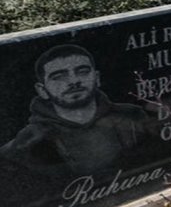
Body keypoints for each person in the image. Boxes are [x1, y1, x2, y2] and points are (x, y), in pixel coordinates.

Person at [0, 45, 157, 174]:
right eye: (58, 76)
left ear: (97, 78)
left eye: (82, 71)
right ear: (42, 90)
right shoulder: (25, 143)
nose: (74, 81)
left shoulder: (132, 117)